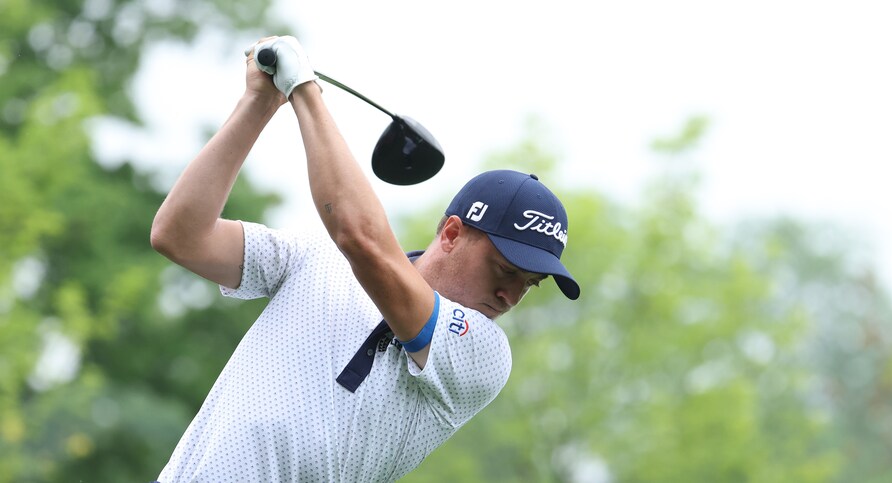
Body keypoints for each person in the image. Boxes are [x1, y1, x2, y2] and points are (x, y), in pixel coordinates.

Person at [150, 36, 580, 482]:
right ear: (452, 233)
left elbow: (361, 238)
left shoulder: (483, 354)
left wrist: (304, 89)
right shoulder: (315, 256)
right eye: (505, 269)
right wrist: (260, 101)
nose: (510, 295)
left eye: (529, 284)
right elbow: (181, 235)